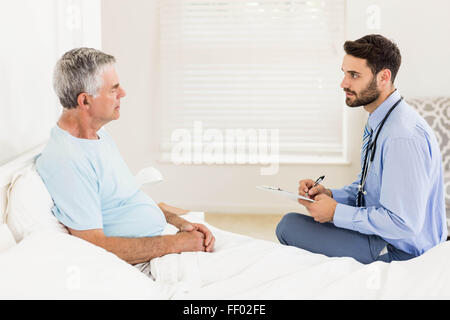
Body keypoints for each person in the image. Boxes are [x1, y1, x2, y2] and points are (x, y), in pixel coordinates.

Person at [36, 48, 215, 275]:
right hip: (146, 262)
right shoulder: (67, 161)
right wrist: (178, 244)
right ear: (85, 101)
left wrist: (178, 222)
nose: (123, 93)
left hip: (165, 238)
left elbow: (125, 198)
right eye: (113, 89)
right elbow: (93, 245)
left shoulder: (98, 135)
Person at [276, 34, 447, 264]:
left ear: (383, 77)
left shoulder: (402, 137)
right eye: (344, 73)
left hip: (401, 251)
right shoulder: (380, 120)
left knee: (289, 227)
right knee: (293, 224)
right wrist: (329, 195)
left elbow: (403, 224)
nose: (344, 83)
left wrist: (335, 213)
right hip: (382, 237)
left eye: (354, 75)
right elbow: (369, 190)